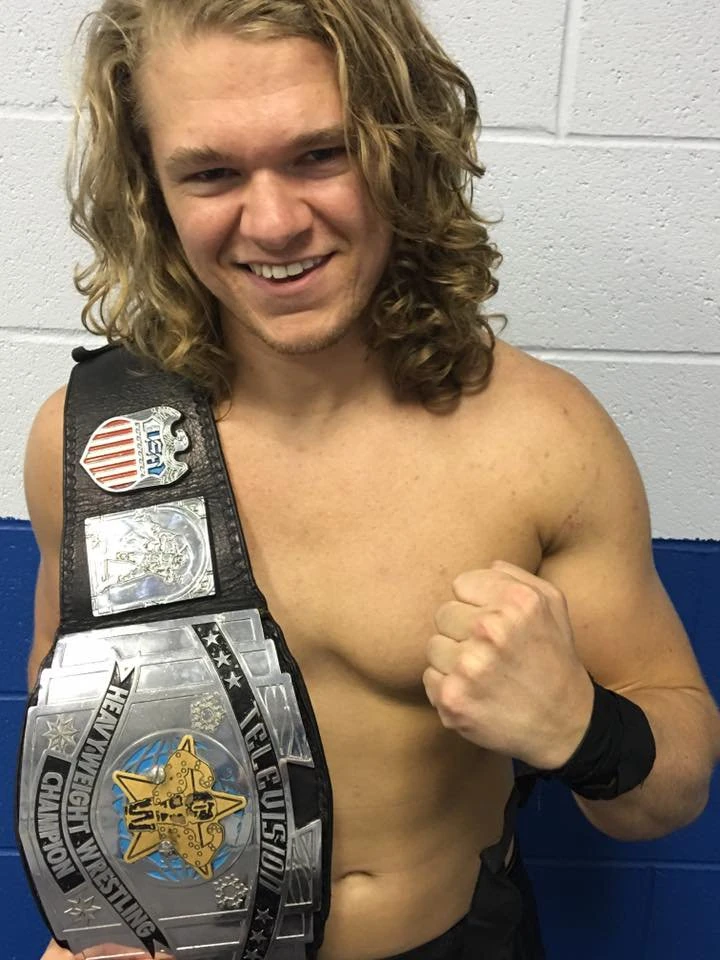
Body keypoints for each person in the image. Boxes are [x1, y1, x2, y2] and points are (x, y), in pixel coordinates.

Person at [25, 1, 719, 959]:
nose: (275, 223)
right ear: (153, 188)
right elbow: (69, 743)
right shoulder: (93, 442)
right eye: (213, 172)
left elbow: (674, 793)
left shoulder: (541, 440)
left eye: (321, 154)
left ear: (402, 149)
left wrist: (581, 724)